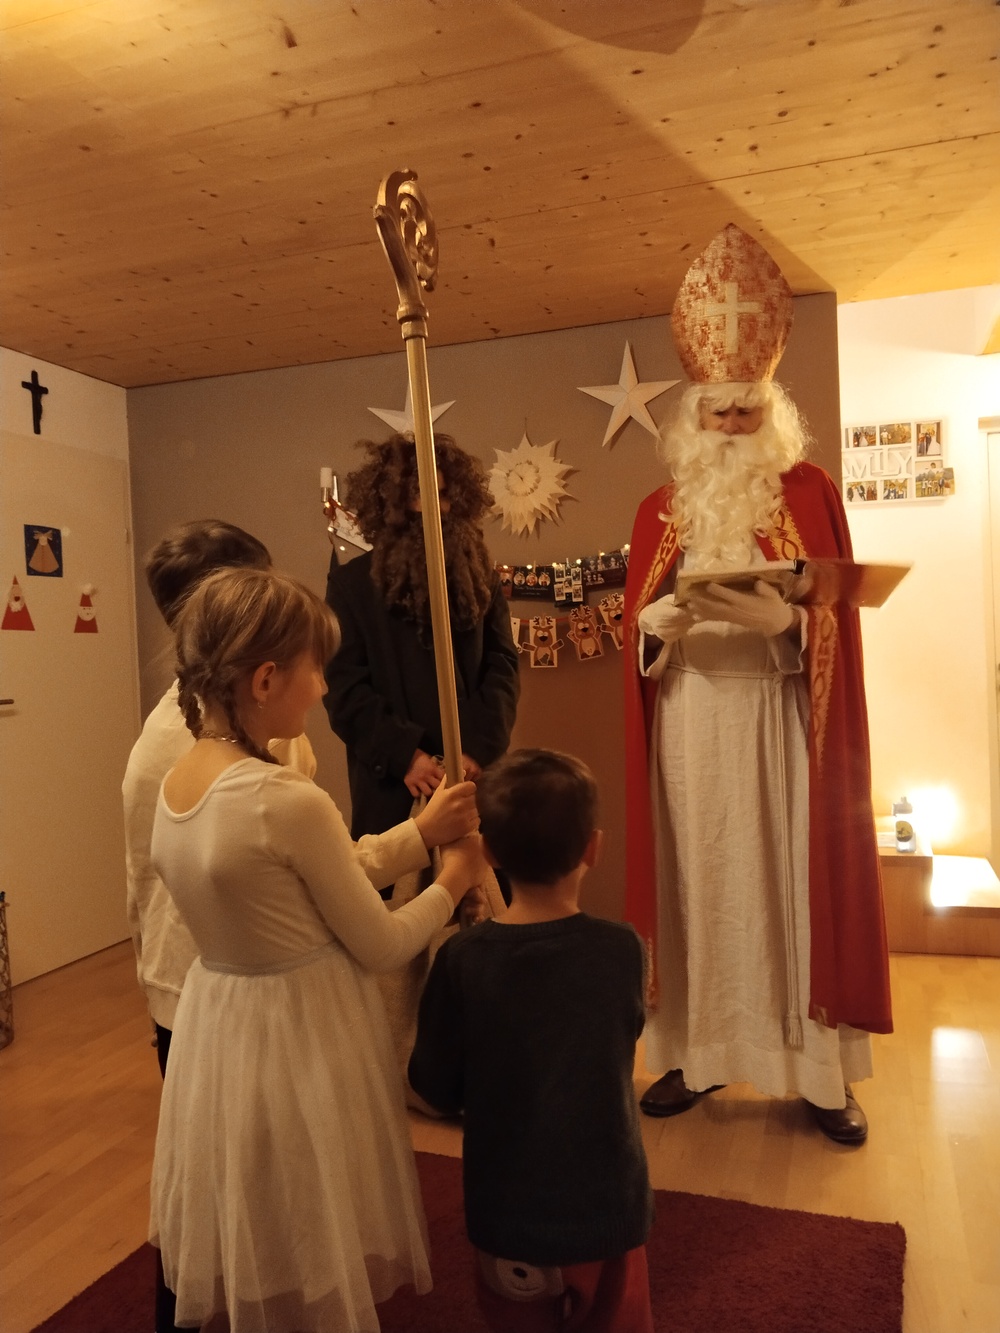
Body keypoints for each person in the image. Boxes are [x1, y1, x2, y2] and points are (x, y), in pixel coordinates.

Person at [148, 565, 486, 1333]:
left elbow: (307, 875)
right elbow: (383, 942)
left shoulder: (178, 783)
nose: (324, 686)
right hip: (299, 1027)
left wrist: (419, 834)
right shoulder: (283, 797)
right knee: (311, 1208)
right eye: (314, 668)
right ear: (266, 678)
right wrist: (455, 875)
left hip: (222, 1021)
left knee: (261, 1203)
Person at [624, 224, 891, 1146]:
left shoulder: (810, 493)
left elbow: (838, 622)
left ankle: (818, 1073)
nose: (733, 429)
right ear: (692, 417)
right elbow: (636, 637)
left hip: (782, 723)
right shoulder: (659, 511)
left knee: (790, 884)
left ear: (770, 410)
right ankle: (697, 1056)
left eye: (747, 412)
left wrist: (791, 626)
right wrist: (653, 629)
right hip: (690, 724)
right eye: (719, 414)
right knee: (700, 887)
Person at [125, 520, 311, 1333]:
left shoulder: (221, 721)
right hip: (215, 980)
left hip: (214, 975)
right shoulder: (194, 742)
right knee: (214, 1180)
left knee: (236, 1175)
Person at [409, 750, 654, 1333]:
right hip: (609, 1206)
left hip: (509, 1215)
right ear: (593, 847)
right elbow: (624, 1033)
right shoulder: (623, 950)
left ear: (488, 853)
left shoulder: (463, 959)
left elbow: (432, 1085)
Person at [324, 432, 520, 840]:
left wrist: (475, 750)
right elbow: (343, 688)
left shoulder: (479, 577)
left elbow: (502, 665)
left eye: (442, 496)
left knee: (486, 878)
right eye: (415, 496)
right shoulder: (350, 587)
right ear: (389, 502)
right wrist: (405, 756)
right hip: (393, 790)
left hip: (473, 779)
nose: (430, 509)